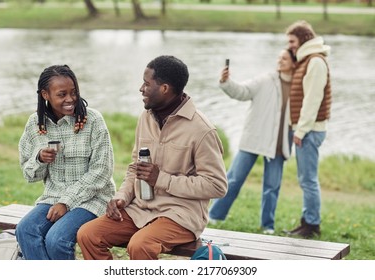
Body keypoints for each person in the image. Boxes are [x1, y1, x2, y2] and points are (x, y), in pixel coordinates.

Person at [77, 55, 228, 260]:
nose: (141, 88)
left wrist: (161, 179)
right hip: (141, 208)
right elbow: (135, 169)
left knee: (140, 245)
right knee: (88, 235)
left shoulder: (202, 130)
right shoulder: (145, 118)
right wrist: (122, 197)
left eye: (146, 84)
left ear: (164, 88)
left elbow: (217, 185)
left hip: (180, 214)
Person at [16, 65, 116, 259]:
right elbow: (29, 175)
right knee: (25, 230)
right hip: (52, 198)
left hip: (92, 199)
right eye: (62, 94)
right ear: (45, 94)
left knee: (57, 239)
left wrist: (66, 202)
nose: (70, 99)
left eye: (73, 92)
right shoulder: (35, 124)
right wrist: (39, 159)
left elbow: (102, 171)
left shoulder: (93, 120)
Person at [208, 49, 296, 234]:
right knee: (233, 179)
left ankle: (267, 225)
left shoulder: (299, 86)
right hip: (254, 138)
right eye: (279, 57)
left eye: (285, 58)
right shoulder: (265, 80)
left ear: (294, 63)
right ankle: (215, 215)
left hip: (279, 143)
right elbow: (242, 91)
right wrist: (226, 82)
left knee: (272, 187)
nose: (280, 60)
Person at [284, 20, 332, 238]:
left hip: (309, 130)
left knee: (308, 179)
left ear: (303, 39)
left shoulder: (315, 62)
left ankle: (312, 225)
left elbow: (312, 101)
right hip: (307, 129)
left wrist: (300, 131)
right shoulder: (307, 60)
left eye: (292, 41)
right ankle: (307, 221)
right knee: (306, 178)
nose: (290, 46)